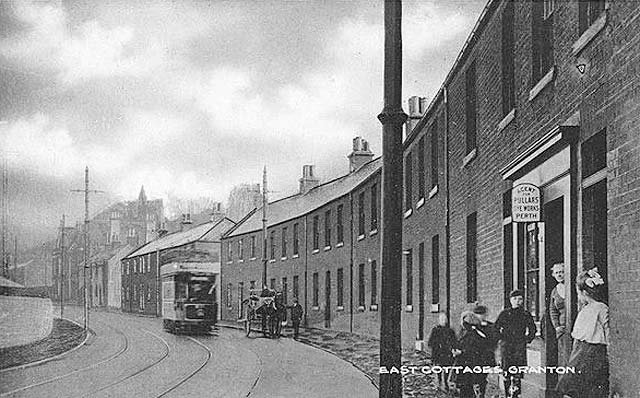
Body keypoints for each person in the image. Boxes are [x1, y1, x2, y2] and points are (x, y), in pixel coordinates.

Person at [556, 268, 609, 398]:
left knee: (583, 386)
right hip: (579, 349)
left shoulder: (601, 308)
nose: (578, 296)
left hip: (593, 351)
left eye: (578, 293)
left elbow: (607, 329)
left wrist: (609, 350)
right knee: (568, 384)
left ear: (584, 293)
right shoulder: (585, 309)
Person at [495, 289, 537, 398]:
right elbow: (496, 328)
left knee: (518, 371)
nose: (517, 301)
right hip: (507, 346)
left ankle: (516, 395)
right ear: (510, 300)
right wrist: (502, 338)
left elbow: (532, 329)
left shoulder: (525, 314)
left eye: (520, 299)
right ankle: (507, 394)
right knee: (506, 371)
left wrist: (527, 339)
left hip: (519, 345)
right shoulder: (505, 313)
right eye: (515, 299)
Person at [454, 310, 494, 398]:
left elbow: (476, 350)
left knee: (470, 389)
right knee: (466, 389)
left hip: (472, 366)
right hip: (466, 366)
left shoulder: (475, 334)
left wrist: (461, 352)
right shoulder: (466, 333)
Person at [427, 312, 456, 392]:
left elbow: (454, 341)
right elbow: (430, 342)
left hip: (447, 353)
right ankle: (439, 382)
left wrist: (453, 348)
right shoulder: (435, 330)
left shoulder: (450, 331)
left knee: (447, 368)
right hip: (438, 353)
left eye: (445, 319)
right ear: (439, 320)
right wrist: (436, 345)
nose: (444, 321)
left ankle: (446, 382)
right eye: (442, 319)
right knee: (439, 368)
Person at [549, 262, 569, 366]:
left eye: (562, 272)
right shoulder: (555, 291)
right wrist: (557, 326)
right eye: (557, 273)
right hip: (562, 329)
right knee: (564, 357)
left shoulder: (572, 287)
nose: (559, 275)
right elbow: (553, 311)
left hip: (575, 326)